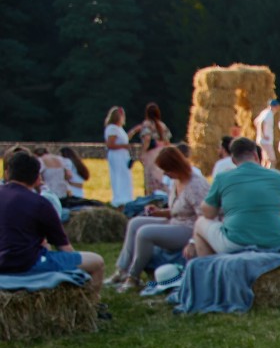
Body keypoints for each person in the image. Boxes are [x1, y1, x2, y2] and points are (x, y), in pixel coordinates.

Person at [0, 151, 104, 293]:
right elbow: (65, 248)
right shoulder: (41, 203)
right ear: (38, 178)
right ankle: (92, 304)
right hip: (28, 264)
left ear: (7, 173)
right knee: (97, 261)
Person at [110, 145, 207, 290]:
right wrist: (158, 212)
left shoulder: (195, 185)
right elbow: (178, 210)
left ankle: (133, 276)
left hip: (189, 228)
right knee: (135, 223)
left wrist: (193, 242)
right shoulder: (176, 181)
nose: (165, 174)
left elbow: (204, 216)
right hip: (175, 222)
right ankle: (121, 270)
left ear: (176, 167)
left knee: (145, 233)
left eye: (167, 170)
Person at [191, 137, 280, 257]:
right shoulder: (277, 176)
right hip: (276, 241)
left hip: (237, 242)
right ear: (255, 155)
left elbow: (209, 213)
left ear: (233, 159)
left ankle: (209, 266)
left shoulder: (223, 178)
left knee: (200, 223)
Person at [132, 103, 173, 197]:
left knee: (150, 176)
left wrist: (143, 153)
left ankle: (151, 196)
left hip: (151, 153)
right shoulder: (162, 125)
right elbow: (167, 142)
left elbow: (147, 139)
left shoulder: (147, 124)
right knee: (160, 176)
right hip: (161, 152)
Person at [104, 106, 134, 206]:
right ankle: (119, 198)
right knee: (118, 176)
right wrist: (124, 146)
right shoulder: (112, 128)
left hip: (123, 156)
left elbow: (124, 139)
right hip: (117, 155)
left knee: (125, 176)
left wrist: (134, 131)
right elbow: (110, 145)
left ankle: (126, 197)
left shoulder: (119, 129)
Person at [254, 98, 280, 164]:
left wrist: (259, 133)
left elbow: (256, 121)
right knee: (272, 160)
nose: (277, 108)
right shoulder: (269, 114)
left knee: (265, 160)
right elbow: (261, 123)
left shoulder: (264, 112)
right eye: (276, 106)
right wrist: (263, 135)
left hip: (262, 140)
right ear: (272, 106)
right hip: (266, 141)